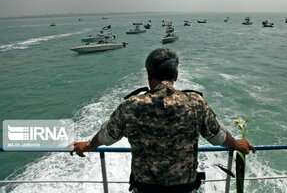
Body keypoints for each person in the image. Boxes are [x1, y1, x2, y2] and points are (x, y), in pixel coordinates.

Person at [70, 48, 255, 193]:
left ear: (148, 74)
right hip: (184, 190)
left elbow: (106, 136)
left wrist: (85, 146)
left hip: (144, 190)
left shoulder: (131, 105)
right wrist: (238, 145)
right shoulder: (195, 103)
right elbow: (218, 136)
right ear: (176, 76)